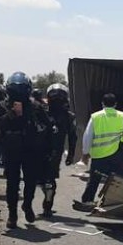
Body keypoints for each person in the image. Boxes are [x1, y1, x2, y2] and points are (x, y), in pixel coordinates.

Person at [0, 72, 52, 229]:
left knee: (30, 181)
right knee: (12, 183)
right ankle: (12, 214)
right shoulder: (2, 106)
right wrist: (11, 115)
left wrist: (47, 146)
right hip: (11, 150)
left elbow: (48, 126)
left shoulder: (35, 106)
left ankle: (27, 204)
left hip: (31, 149)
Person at [76, 93, 123, 209]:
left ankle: (87, 201)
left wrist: (85, 153)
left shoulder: (95, 117)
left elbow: (88, 136)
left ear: (102, 104)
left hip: (99, 155)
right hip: (117, 154)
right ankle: (114, 202)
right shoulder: (122, 116)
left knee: (94, 179)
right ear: (115, 104)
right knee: (117, 179)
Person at [41, 83, 77, 217]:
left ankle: (42, 203)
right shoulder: (68, 116)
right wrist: (71, 155)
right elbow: (73, 137)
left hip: (40, 150)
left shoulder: (42, 111)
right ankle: (47, 205)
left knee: (39, 178)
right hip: (55, 151)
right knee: (49, 180)